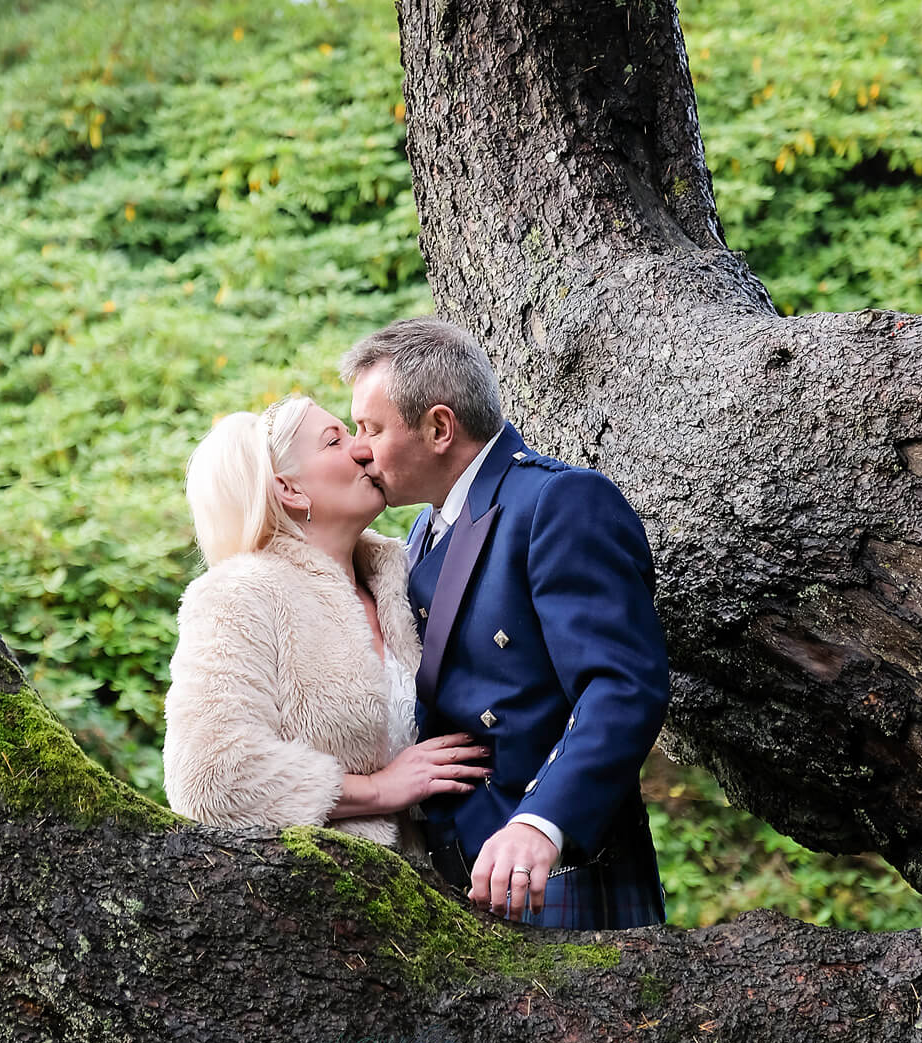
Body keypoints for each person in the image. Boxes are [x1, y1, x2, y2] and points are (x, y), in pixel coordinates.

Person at [342, 317, 669, 930]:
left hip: (555, 867)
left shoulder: (560, 501)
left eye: (372, 428)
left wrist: (540, 822)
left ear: (439, 427)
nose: (360, 447)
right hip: (458, 877)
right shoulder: (426, 526)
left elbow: (623, 685)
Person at [162, 394, 490, 848]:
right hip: (325, 898)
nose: (361, 448)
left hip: (447, 890)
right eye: (334, 441)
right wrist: (378, 789)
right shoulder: (237, 595)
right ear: (290, 490)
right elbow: (209, 775)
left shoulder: (402, 579)